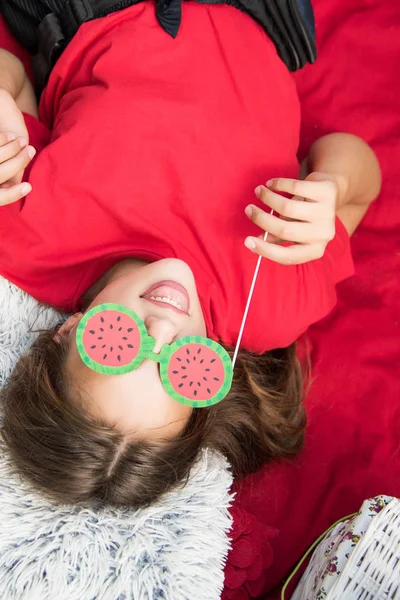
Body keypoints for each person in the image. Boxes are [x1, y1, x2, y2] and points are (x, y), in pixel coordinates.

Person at [0, 1, 381, 508]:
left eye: (118, 344)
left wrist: (3, 100)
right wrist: (333, 184)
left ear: (68, 331)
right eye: (183, 370)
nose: (161, 330)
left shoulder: (24, 234)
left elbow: (19, 84)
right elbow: (360, 171)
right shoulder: (269, 301)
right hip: (258, 16)